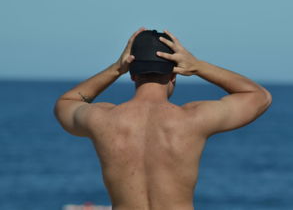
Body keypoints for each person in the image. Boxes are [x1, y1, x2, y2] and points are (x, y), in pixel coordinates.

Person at [54, 27, 272, 210]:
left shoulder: (102, 119)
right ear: (174, 74)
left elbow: (66, 102)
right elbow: (259, 97)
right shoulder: (193, 119)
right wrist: (198, 66)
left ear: (132, 74)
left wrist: (115, 69)